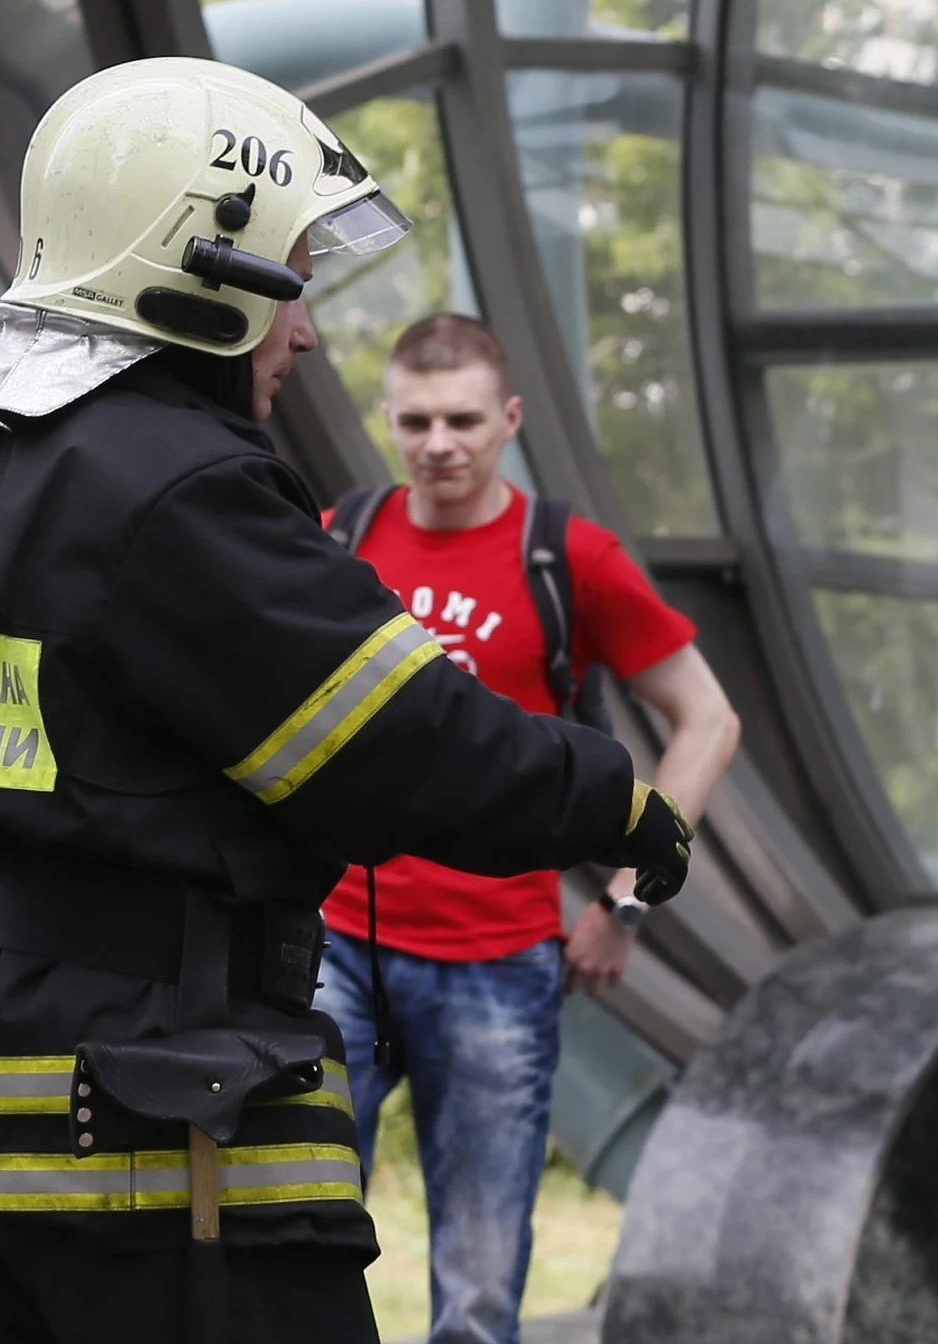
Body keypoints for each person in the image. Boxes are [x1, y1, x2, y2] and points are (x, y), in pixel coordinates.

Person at [0, 57, 690, 1344]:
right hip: (158, 1109)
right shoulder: (178, 484)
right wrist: (624, 804)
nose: (303, 330)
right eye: (292, 281)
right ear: (203, 272)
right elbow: (406, 745)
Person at [314, 313, 741, 1344]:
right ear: (387, 420)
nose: (438, 444)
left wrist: (627, 904)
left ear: (509, 418)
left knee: (479, 1284)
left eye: (463, 419)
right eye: (415, 421)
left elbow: (709, 720)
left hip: (497, 959)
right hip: (332, 944)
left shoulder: (568, 557)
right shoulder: (341, 537)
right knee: (293, 1241)